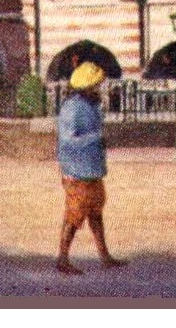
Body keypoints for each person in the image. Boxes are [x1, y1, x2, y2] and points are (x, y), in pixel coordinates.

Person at [56, 62, 125, 274]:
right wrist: (96, 138)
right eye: (97, 85)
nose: (101, 88)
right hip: (76, 170)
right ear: (87, 86)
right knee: (74, 215)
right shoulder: (72, 107)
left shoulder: (92, 105)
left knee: (95, 211)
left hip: (91, 169)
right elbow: (68, 140)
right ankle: (63, 259)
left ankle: (104, 255)